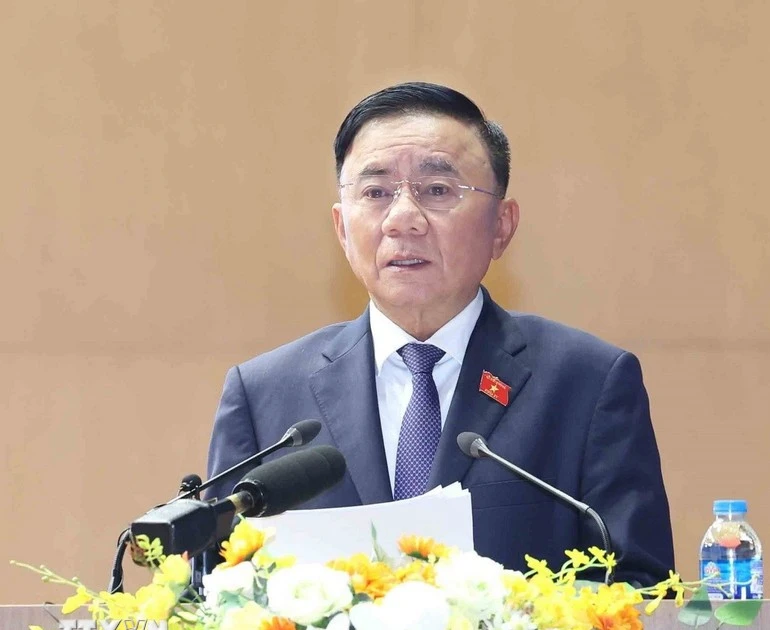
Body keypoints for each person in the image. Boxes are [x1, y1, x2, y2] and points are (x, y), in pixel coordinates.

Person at [205, 81, 674, 586]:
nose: (403, 219)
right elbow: (217, 592)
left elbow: (641, 589)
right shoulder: (264, 397)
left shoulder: (586, 383)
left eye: (437, 190)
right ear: (342, 229)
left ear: (502, 225)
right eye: (376, 193)